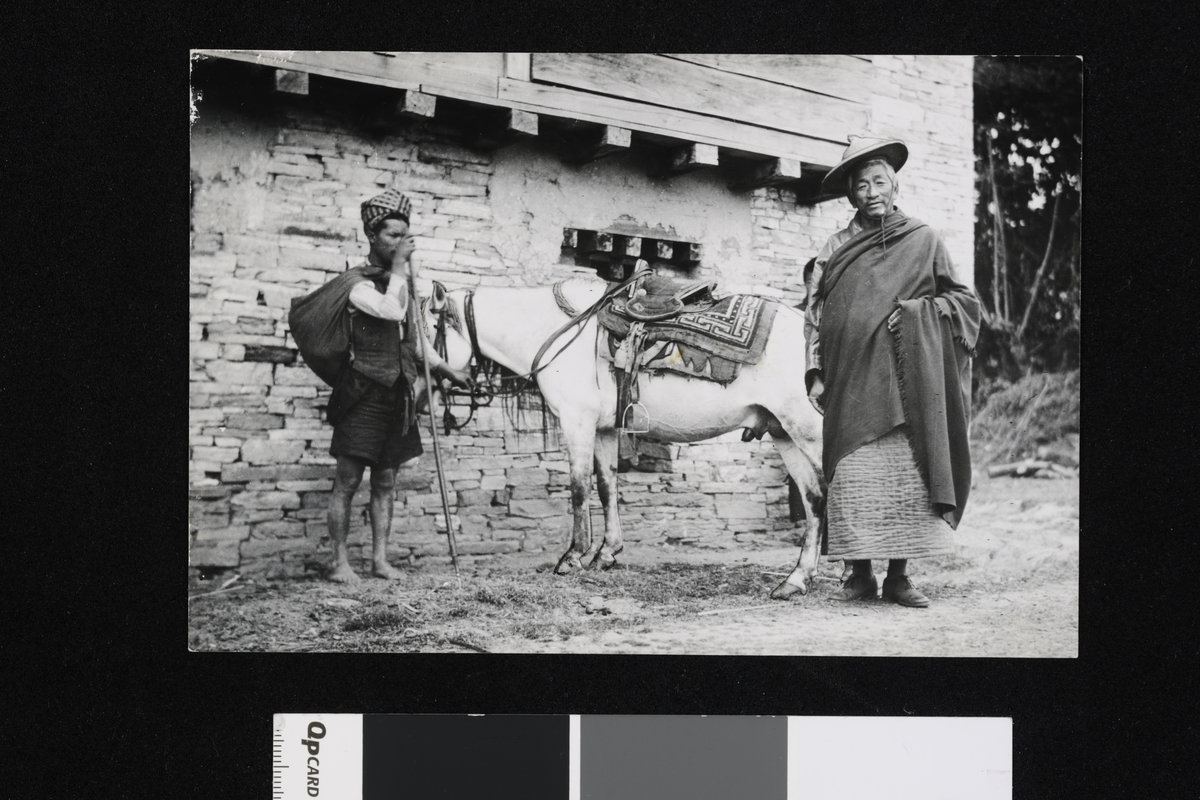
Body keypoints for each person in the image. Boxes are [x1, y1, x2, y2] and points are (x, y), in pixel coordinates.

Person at [804, 137, 981, 607]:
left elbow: (965, 302)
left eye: (878, 181)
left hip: (908, 384)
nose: (870, 192)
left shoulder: (924, 239)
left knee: (906, 478)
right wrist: (814, 370)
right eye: (860, 185)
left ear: (894, 184)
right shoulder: (836, 246)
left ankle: (899, 579)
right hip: (848, 383)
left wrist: (919, 311)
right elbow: (814, 313)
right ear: (850, 195)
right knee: (854, 477)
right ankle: (859, 574)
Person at [325, 189, 471, 583]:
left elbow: (414, 335)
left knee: (386, 481)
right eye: (392, 236)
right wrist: (403, 270)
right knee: (348, 481)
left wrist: (443, 368)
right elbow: (391, 311)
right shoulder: (356, 284)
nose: (400, 243)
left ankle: (379, 561)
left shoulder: (400, 281)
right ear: (372, 237)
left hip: (397, 395)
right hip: (362, 394)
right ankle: (339, 564)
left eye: (405, 236)